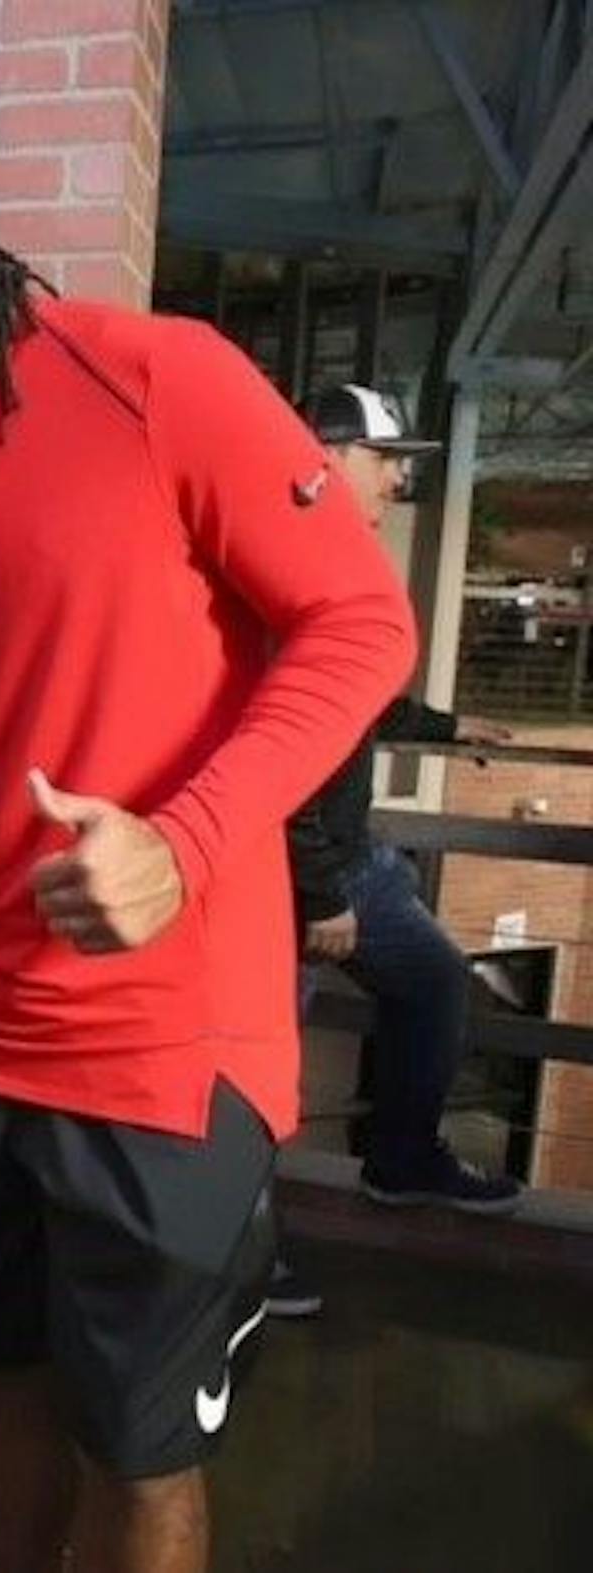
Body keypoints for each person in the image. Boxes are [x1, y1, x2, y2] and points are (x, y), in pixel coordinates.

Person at [0, 89, 419, 1573]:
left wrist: (182, 843)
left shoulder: (153, 376)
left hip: (166, 1049)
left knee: (140, 1447)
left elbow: (362, 623)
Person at [289, 384, 522, 1216]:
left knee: (434, 983)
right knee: (255, 1074)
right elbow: (283, 744)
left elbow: (355, 696)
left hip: (347, 857)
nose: (396, 481)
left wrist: (448, 723)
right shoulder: (288, 563)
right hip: (301, 871)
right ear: (327, 454)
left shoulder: (332, 557)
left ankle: (400, 1158)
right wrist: (316, 887)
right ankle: (230, 1257)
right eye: (384, 460)